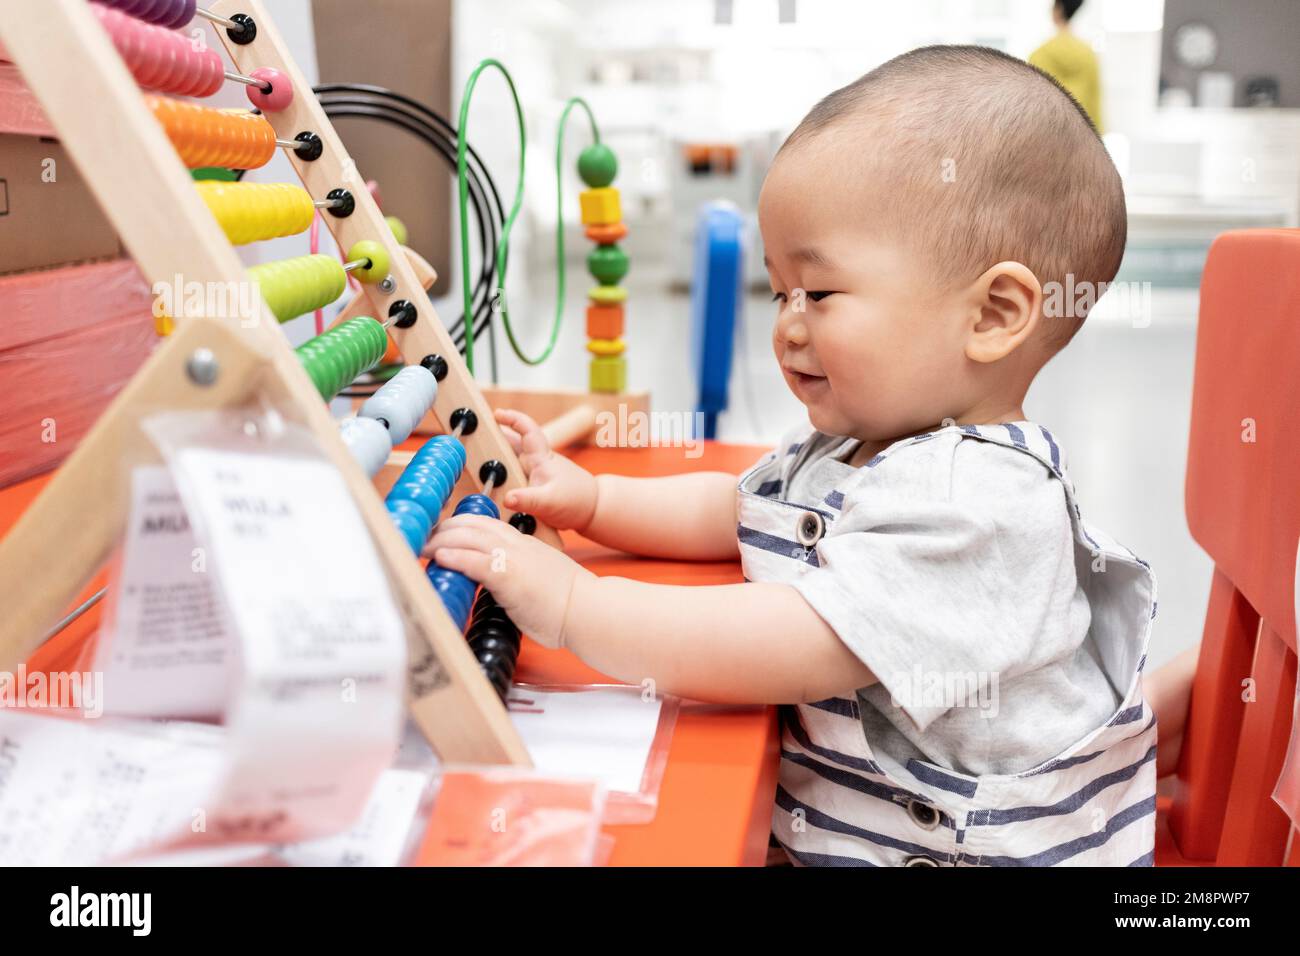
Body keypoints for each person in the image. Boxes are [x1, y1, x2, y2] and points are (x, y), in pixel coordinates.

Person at [428, 46, 1155, 866]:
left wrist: (574, 609)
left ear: (992, 314)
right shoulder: (858, 444)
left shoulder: (976, 505)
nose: (787, 324)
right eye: (779, 292)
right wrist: (595, 502)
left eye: (821, 292)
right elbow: (737, 507)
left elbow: (788, 642)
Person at [1029, 0, 1103, 131]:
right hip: (1083, 135)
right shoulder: (1088, 54)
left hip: (1049, 136)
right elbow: (1095, 100)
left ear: (1058, 10)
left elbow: (1033, 103)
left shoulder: (1040, 54)